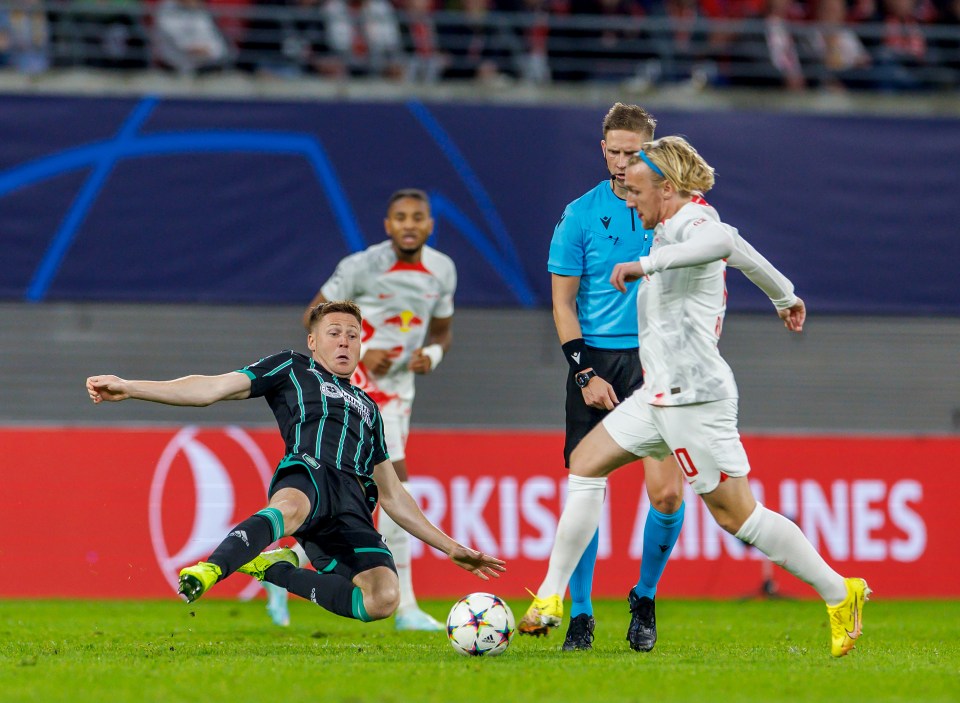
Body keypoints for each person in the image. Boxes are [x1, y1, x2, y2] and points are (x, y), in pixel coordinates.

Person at [520, 136, 869, 658]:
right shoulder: (666, 223)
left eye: (636, 191)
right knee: (584, 464)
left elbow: (721, 243)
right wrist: (785, 294)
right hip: (656, 395)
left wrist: (645, 267)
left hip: (694, 401)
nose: (629, 200)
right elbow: (743, 249)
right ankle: (550, 596)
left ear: (667, 187)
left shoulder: (693, 224)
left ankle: (840, 592)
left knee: (738, 518)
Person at [85, 300, 504, 623]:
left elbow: (393, 495)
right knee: (290, 507)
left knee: (382, 600)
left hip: (353, 506)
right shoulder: (291, 366)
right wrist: (131, 387)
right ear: (313, 341)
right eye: (334, 332)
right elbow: (211, 388)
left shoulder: (369, 408)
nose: (344, 341)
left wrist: (452, 547)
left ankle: (271, 569)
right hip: (309, 471)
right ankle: (211, 568)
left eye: (353, 335)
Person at [522, 103, 685, 653]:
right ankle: (582, 615)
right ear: (602, 150)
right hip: (597, 364)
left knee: (665, 495)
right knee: (587, 487)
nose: (620, 163)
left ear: (651, 150)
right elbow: (562, 306)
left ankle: (644, 596)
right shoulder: (579, 216)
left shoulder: (673, 210)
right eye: (612, 151)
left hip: (658, 362)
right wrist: (584, 372)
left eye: (631, 153)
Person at [299, 188, 457, 631]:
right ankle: (404, 606)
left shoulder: (443, 270)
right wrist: (358, 351)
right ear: (387, 226)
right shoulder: (361, 266)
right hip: (359, 385)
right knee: (395, 485)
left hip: (400, 390)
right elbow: (313, 315)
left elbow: (442, 332)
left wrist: (433, 354)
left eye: (418, 217)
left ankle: (280, 569)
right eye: (400, 217)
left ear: (429, 224)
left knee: (353, 491)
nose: (409, 224)